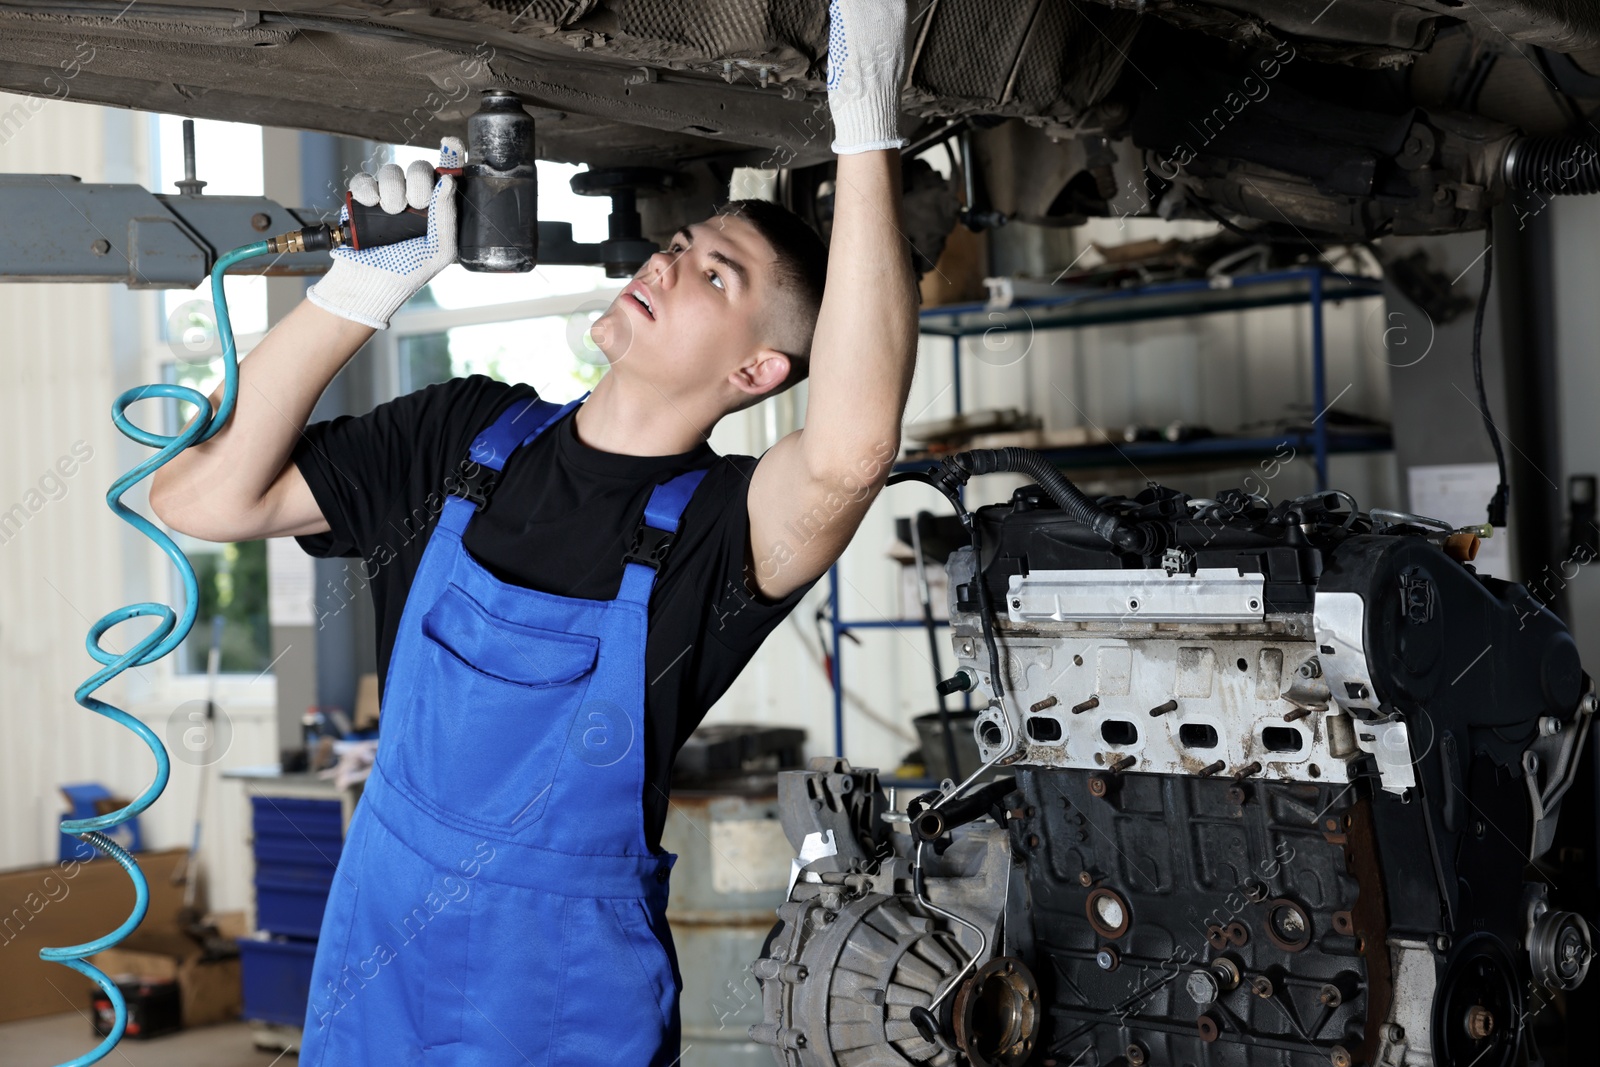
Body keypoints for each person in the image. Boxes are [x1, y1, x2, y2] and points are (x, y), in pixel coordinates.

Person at [149, 0, 917, 1061]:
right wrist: (352, 295)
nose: (665, 263)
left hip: (562, 993)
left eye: (713, 277)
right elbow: (199, 501)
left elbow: (849, 452)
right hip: (384, 958)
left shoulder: (720, 534)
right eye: (682, 244)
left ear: (755, 374)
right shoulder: (464, 433)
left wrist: (864, 122)